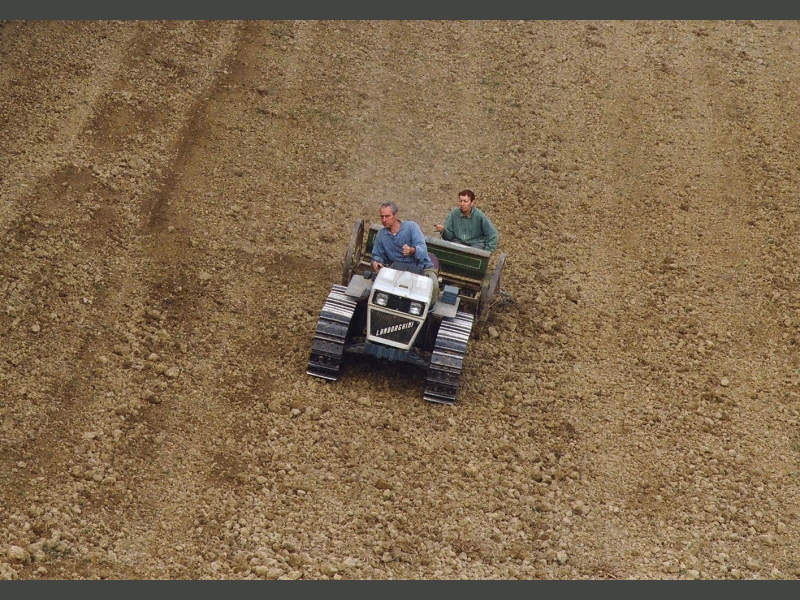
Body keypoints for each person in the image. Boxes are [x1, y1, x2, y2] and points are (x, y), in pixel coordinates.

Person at [371, 201, 439, 305]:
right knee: (376, 288)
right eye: (382, 217)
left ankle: (429, 312)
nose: (384, 220)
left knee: (433, 286)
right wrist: (376, 263)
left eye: (387, 216)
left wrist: (412, 250)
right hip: (396, 269)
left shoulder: (411, 227)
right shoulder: (381, 235)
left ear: (396, 214)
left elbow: (423, 250)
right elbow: (377, 256)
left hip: (421, 268)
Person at [434, 189, 499, 252]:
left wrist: (487, 252)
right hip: (458, 243)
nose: (462, 204)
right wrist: (443, 230)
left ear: (472, 202)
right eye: (460, 201)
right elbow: (449, 237)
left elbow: (492, 235)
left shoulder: (479, 216)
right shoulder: (454, 214)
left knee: (474, 253)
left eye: (465, 201)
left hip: (476, 245)